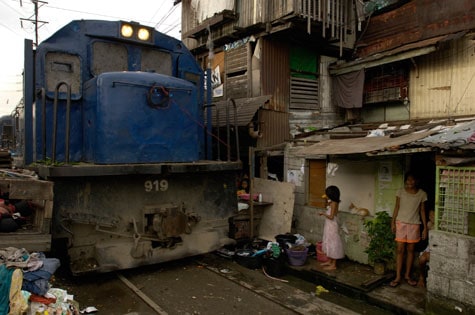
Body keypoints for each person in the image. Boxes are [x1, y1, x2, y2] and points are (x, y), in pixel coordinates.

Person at [390, 172, 428, 287]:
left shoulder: (422, 194)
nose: (410, 182)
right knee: (400, 250)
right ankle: (397, 277)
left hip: (414, 224)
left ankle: (407, 275)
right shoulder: (400, 192)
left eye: (412, 180)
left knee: (410, 250)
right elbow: (397, 207)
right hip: (400, 223)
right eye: (408, 180)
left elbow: (422, 211)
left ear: (416, 181)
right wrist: (393, 222)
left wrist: (425, 228)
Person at [319, 185, 345, 270]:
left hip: (332, 225)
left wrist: (323, 214)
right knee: (329, 241)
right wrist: (327, 201)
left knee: (333, 242)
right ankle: (329, 261)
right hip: (329, 225)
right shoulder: (332, 202)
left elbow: (331, 217)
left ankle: (333, 265)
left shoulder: (334, 203)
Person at [417, 209, 435, 288]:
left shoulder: (442, 226)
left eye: (433, 215)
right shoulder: (429, 224)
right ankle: (421, 277)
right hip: (430, 247)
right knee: (422, 259)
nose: (431, 217)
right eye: (430, 216)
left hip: (438, 249)